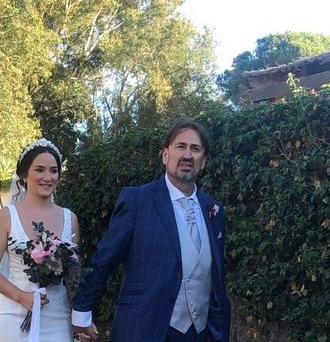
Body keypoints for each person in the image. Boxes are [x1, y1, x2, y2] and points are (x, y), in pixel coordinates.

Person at [72, 119, 231, 342]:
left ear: (203, 161)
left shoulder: (213, 210)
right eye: (180, 146)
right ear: (165, 155)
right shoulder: (138, 200)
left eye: (195, 149)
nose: (187, 155)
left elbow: (214, 276)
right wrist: (82, 309)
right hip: (144, 327)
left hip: (200, 333)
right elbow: (104, 259)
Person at [0, 138, 92, 342]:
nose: (47, 177)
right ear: (24, 174)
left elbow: (73, 277)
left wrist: (82, 319)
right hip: (14, 316)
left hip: (57, 317)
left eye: (53, 170)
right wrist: (21, 296)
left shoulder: (70, 219)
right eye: (39, 170)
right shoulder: (6, 216)